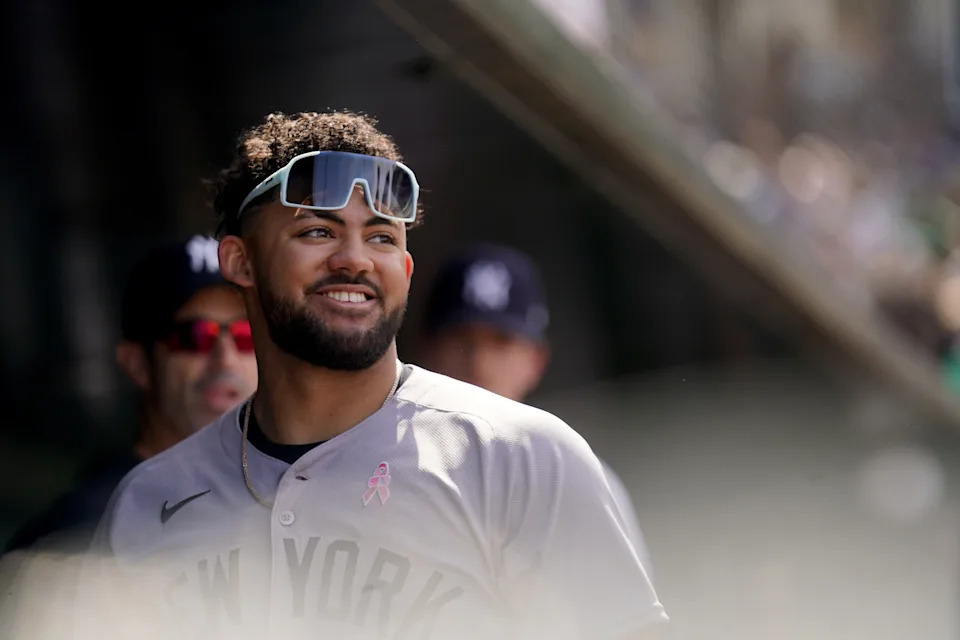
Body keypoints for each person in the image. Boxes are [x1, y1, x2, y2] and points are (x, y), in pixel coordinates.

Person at [76, 111, 667, 640]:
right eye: (317, 231)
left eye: (381, 237)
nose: (355, 259)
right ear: (241, 261)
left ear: (405, 269)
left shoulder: (519, 456)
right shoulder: (148, 502)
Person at [3, 235, 258, 554]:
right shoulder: (81, 533)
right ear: (137, 364)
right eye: (195, 336)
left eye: (247, 335)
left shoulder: (288, 506)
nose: (226, 358)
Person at [419, 243, 655, 576]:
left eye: (501, 341)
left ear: (536, 360)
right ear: (425, 351)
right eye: (461, 338)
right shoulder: (383, 469)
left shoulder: (575, 479)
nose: (479, 362)